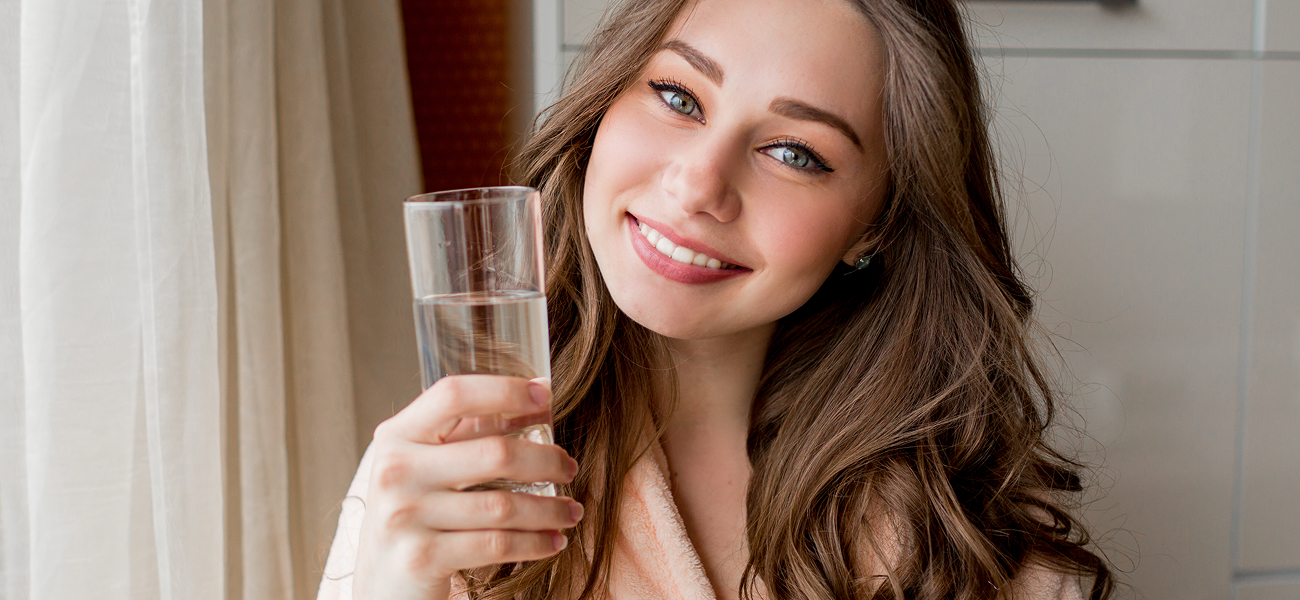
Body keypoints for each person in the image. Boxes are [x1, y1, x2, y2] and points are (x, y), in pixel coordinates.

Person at [318, 0, 1117, 598]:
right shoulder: (442, 488)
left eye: (794, 152)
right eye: (677, 96)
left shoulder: (977, 550)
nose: (698, 184)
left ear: (875, 225)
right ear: (605, 105)